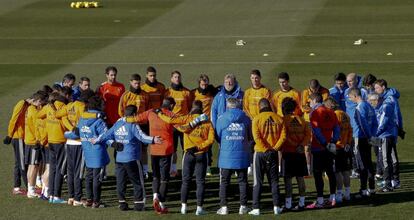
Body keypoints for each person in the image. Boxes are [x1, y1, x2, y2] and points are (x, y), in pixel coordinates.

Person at [95, 105, 162, 211]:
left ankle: (122, 203)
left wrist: (98, 140)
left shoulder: (118, 123)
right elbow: (141, 137)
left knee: (121, 181)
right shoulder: (133, 124)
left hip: (119, 159)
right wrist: (153, 139)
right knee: (137, 182)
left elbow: (107, 134)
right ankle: (139, 204)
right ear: (135, 114)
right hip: (132, 158)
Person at [156, 100, 214, 215]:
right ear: (202, 108)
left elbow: (171, 120)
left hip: (188, 154)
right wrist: (199, 147)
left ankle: (184, 207)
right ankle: (199, 208)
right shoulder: (208, 122)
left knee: (186, 181)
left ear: (192, 108)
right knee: (200, 181)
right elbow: (211, 140)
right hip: (201, 154)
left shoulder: (186, 118)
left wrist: (159, 114)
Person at [125, 97, 176, 214]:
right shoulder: (171, 115)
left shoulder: (151, 112)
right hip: (166, 150)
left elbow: (136, 118)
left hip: (153, 149)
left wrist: (124, 120)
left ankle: (154, 197)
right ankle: (161, 204)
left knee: (155, 176)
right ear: (171, 105)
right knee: (164, 178)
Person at [70, 96, 110, 208]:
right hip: (99, 153)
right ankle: (96, 202)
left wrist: (65, 135)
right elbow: (106, 135)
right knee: (97, 177)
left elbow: (76, 133)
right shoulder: (99, 121)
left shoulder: (82, 119)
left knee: (89, 176)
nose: (104, 106)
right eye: (102, 104)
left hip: (87, 152)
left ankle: (89, 200)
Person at [56, 90, 95, 206]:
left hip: (69, 142)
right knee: (78, 172)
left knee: (70, 171)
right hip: (79, 143)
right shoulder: (82, 107)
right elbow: (86, 120)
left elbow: (58, 115)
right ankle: (78, 199)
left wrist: (70, 127)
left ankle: (71, 197)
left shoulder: (69, 105)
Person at [248, 99, 286, 216]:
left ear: (260, 107)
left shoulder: (256, 119)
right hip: (273, 153)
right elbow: (283, 136)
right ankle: (276, 206)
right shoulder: (279, 118)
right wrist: (274, 148)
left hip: (260, 153)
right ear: (269, 106)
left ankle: (256, 208)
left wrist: (264, 148)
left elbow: (257, 137)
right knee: (274, 181)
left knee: (258, 181)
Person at [215, 98, 252, 215]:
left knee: (224, 182)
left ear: (228, 106)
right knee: (242, 181)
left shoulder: (221, 119)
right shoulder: (246, 119)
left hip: (226, 155)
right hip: (241, 155)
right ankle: (243, 206)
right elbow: (250, 136)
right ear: (238, 106)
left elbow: (217, 136)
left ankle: (224, 207)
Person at [37, 89, 72, 204]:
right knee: (60, 169)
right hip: (61, 141)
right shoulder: (63, 108)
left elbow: (39, 115)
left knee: (52, 168)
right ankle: (56, 196)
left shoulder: (48, 107)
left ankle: (51, 194)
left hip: (50, 141)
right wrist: (73, 129)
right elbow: (66, 122)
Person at [306, 93, 340, 209]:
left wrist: (324, 143)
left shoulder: (315, 113)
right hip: (329, 147)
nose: (309, 103)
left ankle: (320, 200)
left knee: (318, 174)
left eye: (310, 101)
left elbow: (316, 131)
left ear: (315, 100)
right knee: (330, 172)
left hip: (319, 147)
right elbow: (336, 128)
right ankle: (332, 198)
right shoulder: (331, 112)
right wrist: (333, 142)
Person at [280, 98, 311, 211]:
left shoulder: (283, 120)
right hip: (299, 154)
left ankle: (288, 204)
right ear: (294, 108)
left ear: (283, 108)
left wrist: (294, 145)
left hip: (288, 153)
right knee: (300, 178)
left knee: (287, 180)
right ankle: (302, 203)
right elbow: (308, 135)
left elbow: (284, 137)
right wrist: (301, 145)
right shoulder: (302, 120)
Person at [118, 74, 150, 178]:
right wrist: (126, 121)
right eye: (135, 83)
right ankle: (130, 169)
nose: (137, 85)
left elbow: (148, 109)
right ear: (131, 82)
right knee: (130, 146)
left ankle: (144, 170)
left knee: (144, 148)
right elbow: (121, 111)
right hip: (130, 125)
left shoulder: (145, 94)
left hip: (143, 124)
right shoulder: (126, 95)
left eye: (138, 83)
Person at [348, 88, 378, 198]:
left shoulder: (359, 107)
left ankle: (363, 190)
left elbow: (362, 124)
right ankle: (372, 188)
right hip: (368, 138)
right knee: (369, 163)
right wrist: (373, 135)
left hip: (360, 138)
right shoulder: (369, 105)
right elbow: (375, 122)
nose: (350, 99)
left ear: (355, 96)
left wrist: (369, 136)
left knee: (362, 165)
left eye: (350, 97)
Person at [367, 93, 398, 192]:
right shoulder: (378, 107)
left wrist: (374, 134)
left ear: (377, 100)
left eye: (371, 102)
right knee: (386, 159)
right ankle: (389, 182)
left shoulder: (385, 107)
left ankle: (388, 184)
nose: (370, 104)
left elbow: (382, 123)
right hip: (383, 136)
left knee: (386, 160)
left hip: (386, 136)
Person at [324, 97, 353, 203]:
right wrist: (348, 143)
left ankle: (339, 194)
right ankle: (348, 193)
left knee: (337, 172)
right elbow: (350, 130)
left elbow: (332, 131)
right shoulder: (345, 114)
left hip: (336, 147)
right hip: (345, 146)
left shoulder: (333, 115)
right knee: (345, 171)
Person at [164, 70, 192, 177]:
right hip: (172, 125)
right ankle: (173, 169)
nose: (177, 79)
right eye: (175, 77)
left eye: (178, 77)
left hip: (183, 124)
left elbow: (189, 107)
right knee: (173, 148)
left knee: (186, 147)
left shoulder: (186, 92)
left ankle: (186, 168)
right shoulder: (167, 92)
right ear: (171, 79)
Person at [191, 74, 217, 175]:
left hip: (207, 123)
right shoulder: (194, 93)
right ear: (199, 84)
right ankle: (194, 166)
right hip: (197, 123)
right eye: (202, 85)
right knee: (196, 144)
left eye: (206, 84)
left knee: (208, 146)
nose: (204, 86)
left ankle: (208, 167)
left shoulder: (211, 91)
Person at [4, 97, 31, 195]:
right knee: (23, 163)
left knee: (18, 163)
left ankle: (16, 187)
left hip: (21, 137)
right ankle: (29, 187)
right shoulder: (21, 104)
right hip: (18, 137)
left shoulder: (27, 105)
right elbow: (13, 119)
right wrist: (9, 135)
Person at [24, 92, 48, 198]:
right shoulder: (34, 112)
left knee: (31, 166)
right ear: (38, 101)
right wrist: (39, 140)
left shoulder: (29, 109)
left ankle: (30, 189)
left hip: (28, 140)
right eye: (41, 102)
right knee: (34, 166)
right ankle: (31, 190)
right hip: (34, 141)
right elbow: (35, 128)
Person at [345, 73, 368, 179]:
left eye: (351, 81)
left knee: (357, 149)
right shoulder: (346, 91)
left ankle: (360, 170)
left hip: (358, 127)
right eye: (348, 81)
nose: (349, 83)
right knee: (351, 149)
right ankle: (355, 169)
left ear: (356, 80)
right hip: (349, 126)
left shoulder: (362, 92)